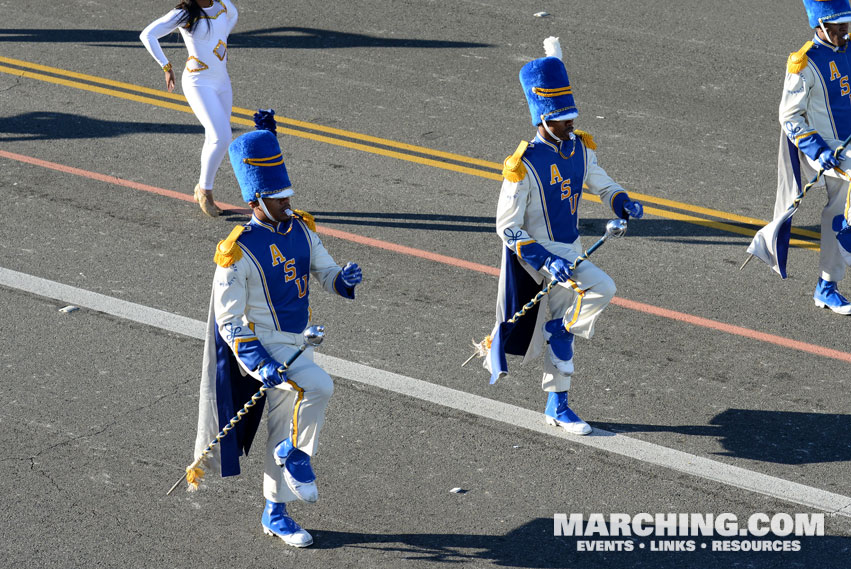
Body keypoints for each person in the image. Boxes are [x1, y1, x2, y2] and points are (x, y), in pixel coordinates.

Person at [193, 116, 363, 548]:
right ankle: (297, 458)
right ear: (256, 201)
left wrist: (344, 279)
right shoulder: (235, 252)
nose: (288, 202)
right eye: (278, 197)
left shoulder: (302, 229)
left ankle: (276, 508)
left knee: (283, 423)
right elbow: (229, 321)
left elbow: (325, 270)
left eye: (289, 195)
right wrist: (258, 362)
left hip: (296, 341)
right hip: (259, 346)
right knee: (317, 386)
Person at [484, 37, 643, 435]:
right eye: (562, 119)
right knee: (602, 288)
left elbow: (602, 184)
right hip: (542, 256)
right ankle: (562, 334)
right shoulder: (523, 165)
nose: (571, 124)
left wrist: (622, 201)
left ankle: (558, 404)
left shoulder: (579, 149)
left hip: (568, 250)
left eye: (572, 116)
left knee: (562, 330)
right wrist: (543, 259)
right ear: (542, 120)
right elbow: (506, 226)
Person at [775, 0, 851, 314]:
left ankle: (826, 286)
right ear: (820, 27)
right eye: (838, 28)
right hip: (831, 150)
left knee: (837, 211)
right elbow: (790, 117)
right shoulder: (804, 64)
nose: (844, 33)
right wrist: (818, 150)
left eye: (847, 26)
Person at [140, 0, 238, 216]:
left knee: (214, 137)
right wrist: (166, 66)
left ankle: (203, 186)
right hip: (198, 83)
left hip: (223, 82)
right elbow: (148, 34)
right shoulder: (184, 13)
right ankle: (205, 191)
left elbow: (234, 14)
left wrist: (222, 40)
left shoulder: (221, 3)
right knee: (222, 137)